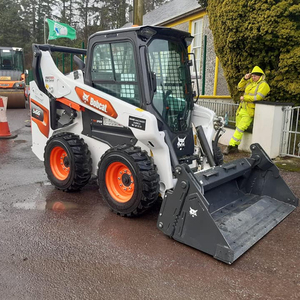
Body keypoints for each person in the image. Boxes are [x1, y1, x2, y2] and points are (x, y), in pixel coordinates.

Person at [223, 66, 270, 155]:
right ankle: (235, 148)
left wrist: (245, 98)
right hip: (242, 108)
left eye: (255, 76)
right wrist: (245, 78)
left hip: (249, 111)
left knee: (240, 128)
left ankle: (230, 146)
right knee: (238, 128)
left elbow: (259, 97)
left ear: (261, 76)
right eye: (252, 76)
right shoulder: (250, 82)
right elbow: (239, 87)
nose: (253, 77)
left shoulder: (264, 85)